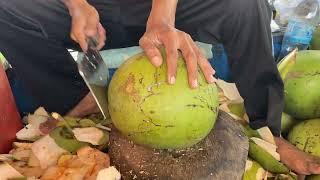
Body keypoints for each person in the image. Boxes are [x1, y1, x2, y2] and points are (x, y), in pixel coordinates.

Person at [0, 0, 319, 176]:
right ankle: (76, 99)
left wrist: (162, 18)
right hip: (92, 9)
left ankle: (269, 131)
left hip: (163, 6)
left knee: (246, 5)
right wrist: (76, 6)